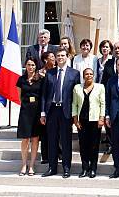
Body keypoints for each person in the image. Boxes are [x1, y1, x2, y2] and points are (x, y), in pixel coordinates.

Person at [40, 49, 80, 178]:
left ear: (67, 57)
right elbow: (44, 95)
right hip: (52, 110)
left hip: (66, 111)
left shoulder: (74, 74)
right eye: (58, 56)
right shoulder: (50, 73)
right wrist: (42, 113)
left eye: (63, 55)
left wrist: (75, 115)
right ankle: (52, 167)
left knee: (66, 140)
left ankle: (66, 168)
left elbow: (76, 96)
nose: (60, 58)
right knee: (52, 140)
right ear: (55, 58)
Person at [72, 68, 105, 178]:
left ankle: (93, 168)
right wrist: (75, 119)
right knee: (83, 145)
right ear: (83, 75)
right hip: (82, 121)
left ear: (94, 75)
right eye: (87, 74)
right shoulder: (77, 88)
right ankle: (84, 168)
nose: (89, 76)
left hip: (95, 121)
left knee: (94, 146)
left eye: (91, 74)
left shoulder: (100, 87)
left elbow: (103, 104)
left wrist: (101, 118)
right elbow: (74, 104)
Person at [16, 59, 43, 176]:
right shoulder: (21, 80)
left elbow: (42, 95)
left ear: (36, 66)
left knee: (35, 138)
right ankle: (23, 164)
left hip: (37, 111)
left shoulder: (40, 79)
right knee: (25, 138)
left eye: (33, 65)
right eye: (28, 65)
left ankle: (31, 165)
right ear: (25, 66)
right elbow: (19, 96)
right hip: (25, 111)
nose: (30, 67)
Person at [96, 39, 115, 154]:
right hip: (97, 91)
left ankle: (111, 142)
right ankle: (106, 138)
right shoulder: (97, 60)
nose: (105, 49)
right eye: (103, 47)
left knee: (108, 116)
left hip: (107, 91)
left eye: (107, 47)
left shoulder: (112, 61)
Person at [37, 51, 56, 164]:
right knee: (44, 132)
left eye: (54, 56)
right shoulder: (40, 73)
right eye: (52, 57)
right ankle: (45, 156)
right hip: (44, 105)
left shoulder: (57, 70)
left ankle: (57, 153)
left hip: (56, 105)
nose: (54, 59)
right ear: (45, 60)